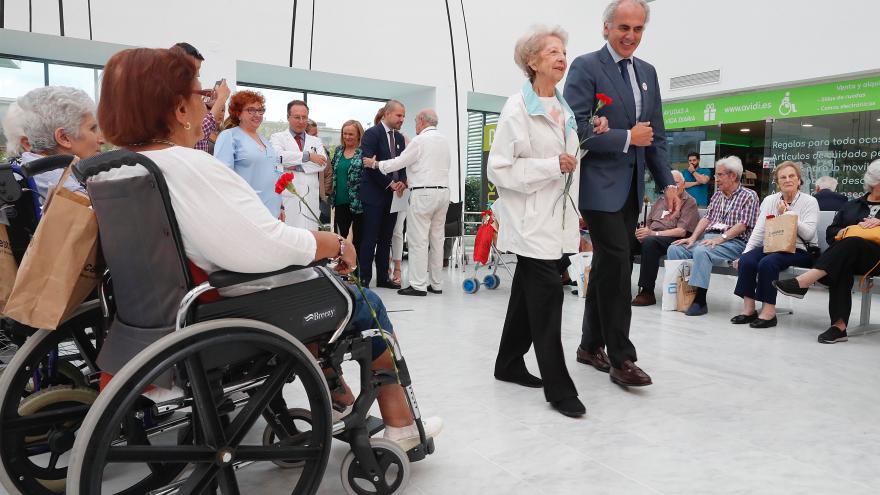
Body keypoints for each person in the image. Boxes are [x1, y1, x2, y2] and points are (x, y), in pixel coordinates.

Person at [97, 46, 441, 450]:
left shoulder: (115, 170)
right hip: (234, 303)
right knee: (364, 301)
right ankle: (401, 425)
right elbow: (262, 248)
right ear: (178, 108)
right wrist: (330, 242)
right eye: (200, 96)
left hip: (166, 311)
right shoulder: (189, 164)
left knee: (317, 293)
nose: (206, 103)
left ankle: (340, 398)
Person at [490, 26, 610, 418]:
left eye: (563, 52)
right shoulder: (516, 108)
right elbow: (499, 169)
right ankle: (560, 388)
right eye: (552, 51)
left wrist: (588, 137)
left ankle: (508, 362)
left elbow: (567, 164)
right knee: (547, 299)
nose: (562, 58)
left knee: (527, 293)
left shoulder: (565, 110)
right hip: (529, 221)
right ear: (532, 60)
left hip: (557, 221)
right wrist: (549, 165)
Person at [564, 0, 678, 387]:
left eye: (638, 29)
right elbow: (577, 129)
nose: (631, 36)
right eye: (623, 28)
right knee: (616, 262)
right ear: (606, 28)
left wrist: (667, 183)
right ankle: (621, 359)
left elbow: (657, 136)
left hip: (632, 188)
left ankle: (587, 345)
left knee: (610, 266)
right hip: (598, 187)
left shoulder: (647, 72)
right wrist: (627, 137)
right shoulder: (585, 66)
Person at [774, 159, 880, 344]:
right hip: (847, 257)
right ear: (874, 183)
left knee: (852, 243)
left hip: (876, 259)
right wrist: (844, 231)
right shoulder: (851, 205)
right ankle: (838, 327)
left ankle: (804, 282)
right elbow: (832, 232)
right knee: (844, 259)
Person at [364, 109, 450, 296]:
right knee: (437, 239)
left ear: (421, 121)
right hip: (443, 193)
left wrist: (376, 164)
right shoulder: (444, 140)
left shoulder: (420, 140)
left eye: (414, 121)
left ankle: (418, 285)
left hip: (424, 193)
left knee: (418, 240)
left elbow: (400, 161)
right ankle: (436, 284)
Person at [667, 156, 760, 316]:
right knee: (676, 249)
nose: (716, 179)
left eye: (719, 175)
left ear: (733, 175)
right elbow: (707, 218)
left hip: (735, 242)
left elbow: (742, 225)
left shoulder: (749, 196)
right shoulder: (718, 195)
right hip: (710, 239)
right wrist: (692, 238)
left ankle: (700, 301)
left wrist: (720, 239)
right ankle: (681, 296)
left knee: (702, 251)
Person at [731, 161, 818, 328]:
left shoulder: (810, 201)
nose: (788, 180)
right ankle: (749, 309)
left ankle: (769, 312)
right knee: (748, 260)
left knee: (768, 262)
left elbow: (809, 234)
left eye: (792, 176)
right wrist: (745, 253)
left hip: (800, 250)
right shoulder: (770, 200)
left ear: (799, 180)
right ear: (778, 183)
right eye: (783, 177)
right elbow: (759, 230)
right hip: (773, 246)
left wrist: (789, 215)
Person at [16, 86, 104, 201]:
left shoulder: (26, 171)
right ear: (64, 138)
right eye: (92, 129)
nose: (101, 140)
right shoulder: (59, 183)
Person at [631, 170, 700, 306]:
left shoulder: (690, 201)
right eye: (670, 184)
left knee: (650, 243)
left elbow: (681, 231)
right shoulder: (661, 199)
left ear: (684, 184)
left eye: (676, 183)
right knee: (626, 242)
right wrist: (644, 231)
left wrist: (653, 234)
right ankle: (621, 286)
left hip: (672, 238)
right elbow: (649, 221)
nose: (673, 187)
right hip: (652, 235)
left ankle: (647, 292)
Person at [359, 100, 408, 289]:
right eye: (398, 115)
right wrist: (390, 184)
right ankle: (364, 278)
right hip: (374, 195)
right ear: (387, 114)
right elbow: (368, 164)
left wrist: (402, 181)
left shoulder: (400, 138)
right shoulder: (371, 134)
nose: (401, 119)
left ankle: (383, 278)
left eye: (403, 116)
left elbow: (402, 163)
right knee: (370, 238)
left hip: (394, 196)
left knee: (386, 238)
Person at [213, 91, 283, 218]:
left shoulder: (265, 140)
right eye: (251, 110)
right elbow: (222, 177)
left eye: (260, 110)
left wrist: (281, 206)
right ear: (238, 113)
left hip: (272, 210)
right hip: (247, 211)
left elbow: (274, 173)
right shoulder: (229, 136)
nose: (257, 115)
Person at [269, 101, 327, 229]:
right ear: (288, 117)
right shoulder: (277, 137)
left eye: (304, 117)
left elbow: (322, 164)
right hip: (288, 198)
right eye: (297, 117)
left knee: (310, 238)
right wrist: (308, 156)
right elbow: (278, 157)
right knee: (288, 236)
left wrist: (293, 166)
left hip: (310, 197)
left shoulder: (316, 141)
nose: (301, 121)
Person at [172, 42, 230, 154]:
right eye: (195, 69)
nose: (198, 75)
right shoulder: (170, 97)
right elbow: (197, 132)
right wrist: (221, 100)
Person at [328, 120, 365, 250]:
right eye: (345, 134)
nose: (347, 137)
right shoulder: (338, 151)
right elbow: (332, 171)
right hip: (340, 201)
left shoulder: (364, 152)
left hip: (358, 203)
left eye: (351, 134)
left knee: (359, 240)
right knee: (339, 239)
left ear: (359, 135)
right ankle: (341, 267)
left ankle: (357, 269)